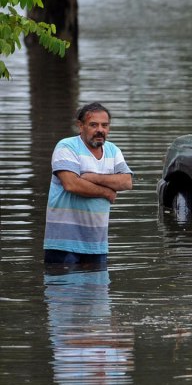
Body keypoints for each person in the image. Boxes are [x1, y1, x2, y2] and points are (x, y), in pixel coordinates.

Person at [43, 102, 134, 268]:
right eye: (93, 125)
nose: (100, 130)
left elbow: (126, 182)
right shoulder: (66, 146)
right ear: (80, 126)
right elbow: (71, 184)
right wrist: (107, 193)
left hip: (97, 244)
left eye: (104, 125)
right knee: (63, 292)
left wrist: (92, 177)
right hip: (63, 243)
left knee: (97, 294)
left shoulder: (113, 151)